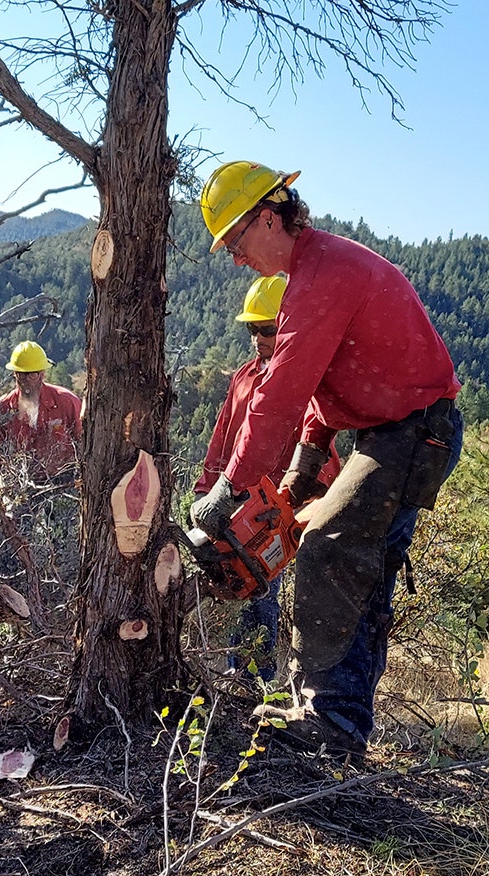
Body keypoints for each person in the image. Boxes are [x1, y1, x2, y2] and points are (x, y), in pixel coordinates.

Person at [190, 161, 464, 756]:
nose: (236, 258)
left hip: (413, 432)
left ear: (269, 217)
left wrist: (229, 490)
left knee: (331, 548)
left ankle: (333, 722)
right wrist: (298, 476)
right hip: (387, 434)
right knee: (356, 567)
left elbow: (281, 392)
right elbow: (323, 393)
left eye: (236, 241)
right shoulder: (310, 275)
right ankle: (330, 708)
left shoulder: (323, 276)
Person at [194, 273, 339, 682]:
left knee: (261, 589)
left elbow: (320, 448)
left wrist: (300, 505)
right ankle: (238, 670)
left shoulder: (304, 381)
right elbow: (225, 433)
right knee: (234, 583)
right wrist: (208, 488)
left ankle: (254, 679)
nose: (259, 338)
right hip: (235, 498)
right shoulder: (243, 377)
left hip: (278, 508)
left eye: (268, 329)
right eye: (253, 329)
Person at [0, 340, 83, 482]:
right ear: (14, 375)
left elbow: (84, 443)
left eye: (31, 374)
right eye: (21, 374)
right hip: (21, 485)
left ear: (42, 374)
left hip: (65, 482)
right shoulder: (3, 408)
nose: (26, 380)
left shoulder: (67, 402)